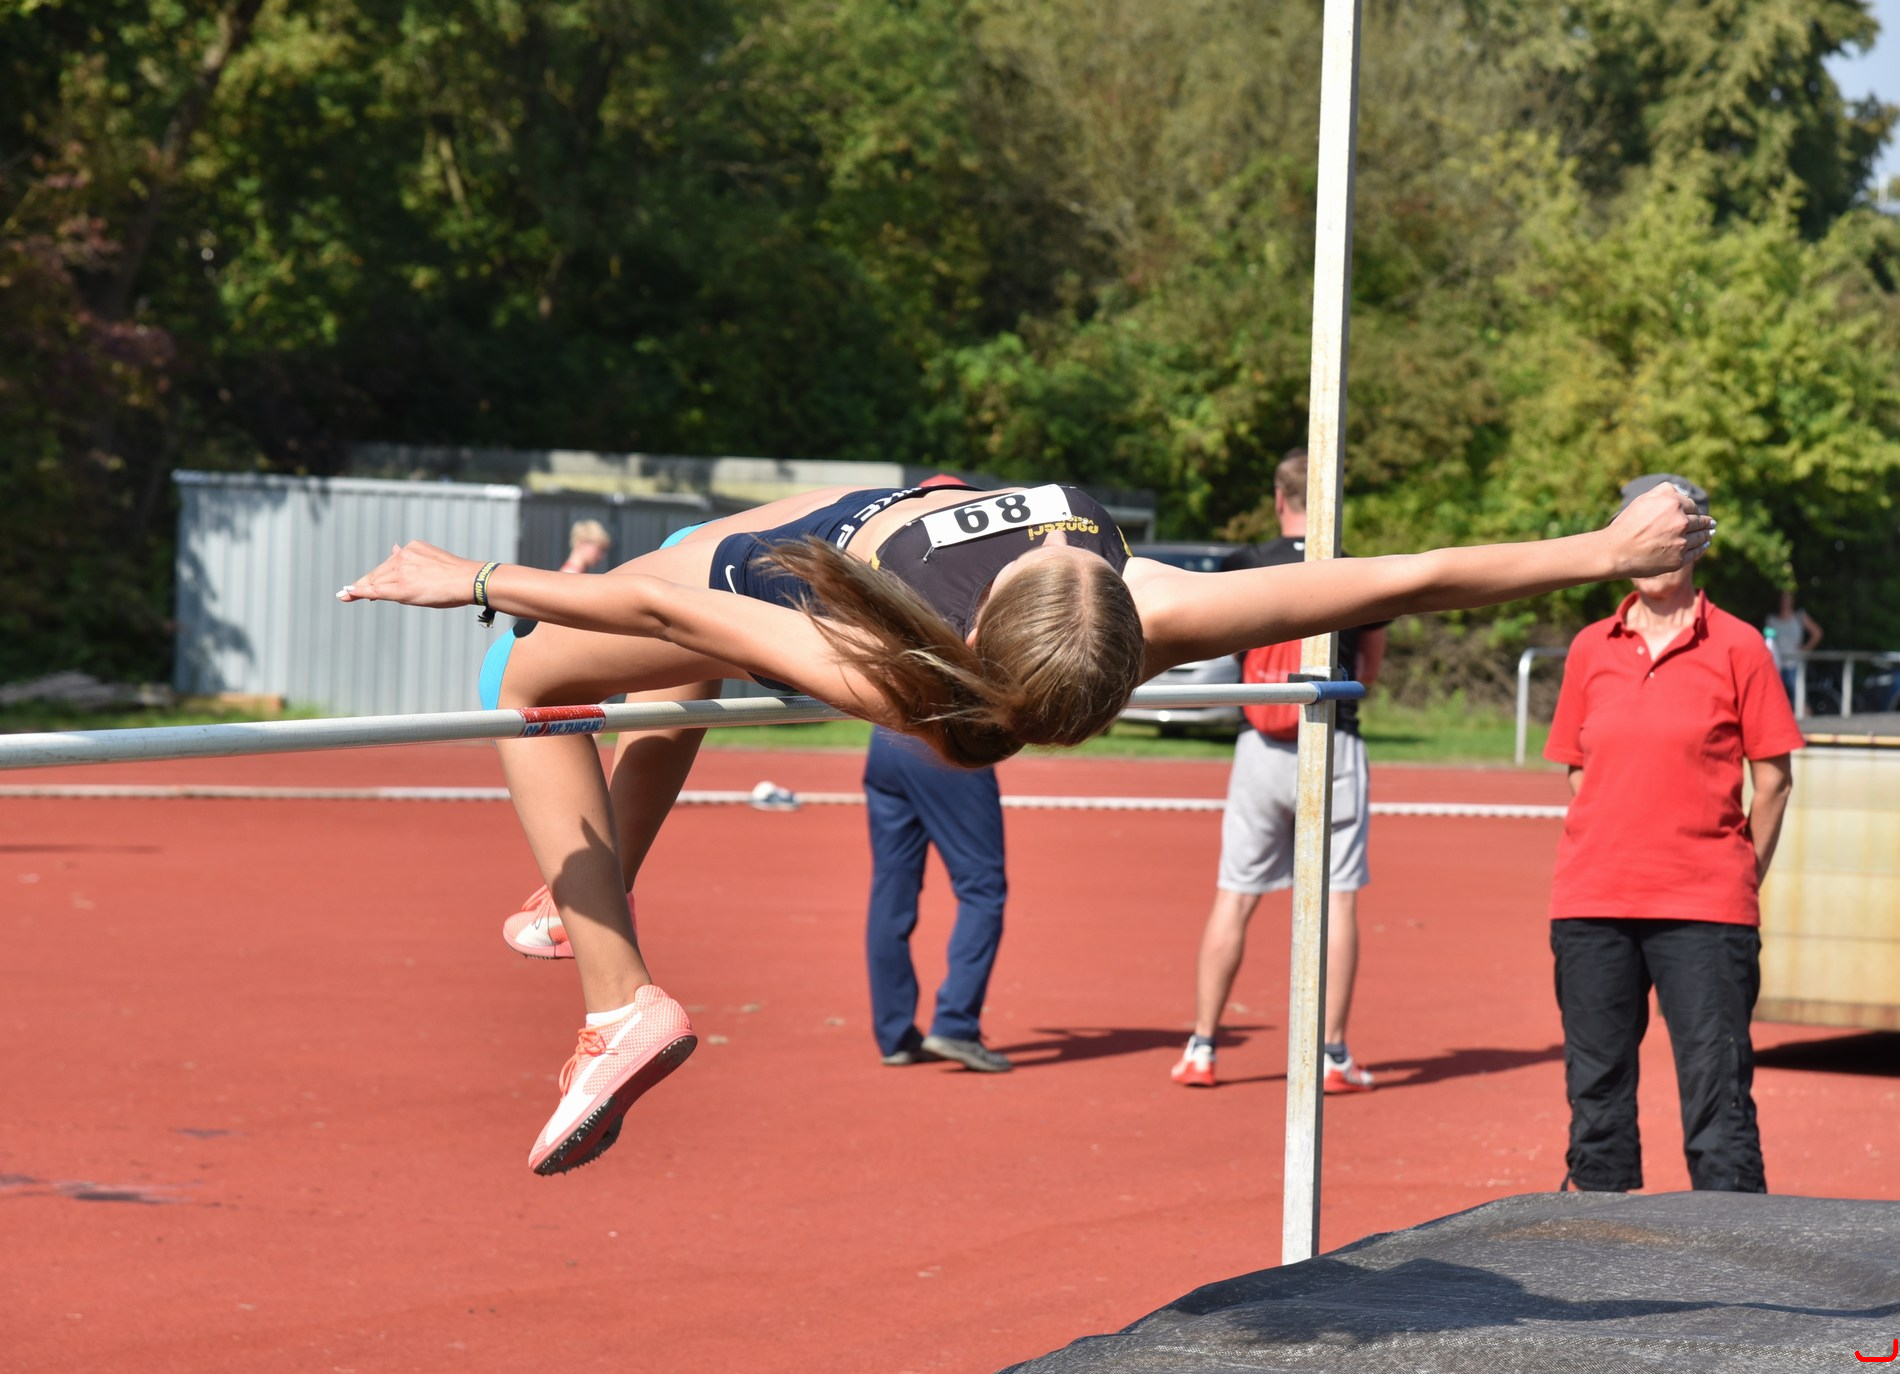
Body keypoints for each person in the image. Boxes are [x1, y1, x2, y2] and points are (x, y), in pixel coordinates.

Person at [339, 475, 1712, 1175]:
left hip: (831, 550)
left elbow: (659, 608)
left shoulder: (886, 660)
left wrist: (477, 579)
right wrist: (1602, 553)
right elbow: (1404, 578)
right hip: (875, 521)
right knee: (672, 670)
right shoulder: (1163, 608)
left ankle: (617, 996)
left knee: (525, 676)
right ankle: (580, 896)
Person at [1543, 473, 1802, 1195]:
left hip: (1706, 907)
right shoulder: (1590, 647)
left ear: (1697, 544)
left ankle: (1738, 1254)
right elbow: (1579, 772)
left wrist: (1740, 874)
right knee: (1596, 1098)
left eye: (1673, 534)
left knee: (1718, 1101)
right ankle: (1597, 1243)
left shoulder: (1741, 646)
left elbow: (1774, 782)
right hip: (1592, 903)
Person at [1171, 450, 1387, 1093]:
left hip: (1258, 748)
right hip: (1334, 742)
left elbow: (1218, 642)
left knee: (1235, 895)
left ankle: (1202, 1046)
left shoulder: (1243, 565)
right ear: (1332, 500)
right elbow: (1370, 671)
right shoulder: (1356, 570)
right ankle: (1332, 1054)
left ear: (1278, 497)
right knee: (1338, 898)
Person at [864, 726, 1011, 1073]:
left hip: (886, 738)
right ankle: (955, 1025)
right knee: (982, 889)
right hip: (949, 738)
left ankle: (896, 1036)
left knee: (891, 890)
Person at [1763, 589, 1822, 705]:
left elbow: (1817, 633)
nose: (1785, 602)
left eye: (1788, 599)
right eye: (1783, 599)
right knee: (1776, 701)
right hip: (1776, 665)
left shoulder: (1799, 616)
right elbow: (1767, 640)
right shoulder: (1771, 620)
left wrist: (1806, 648)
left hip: (1794, 664)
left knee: (1800, 700)